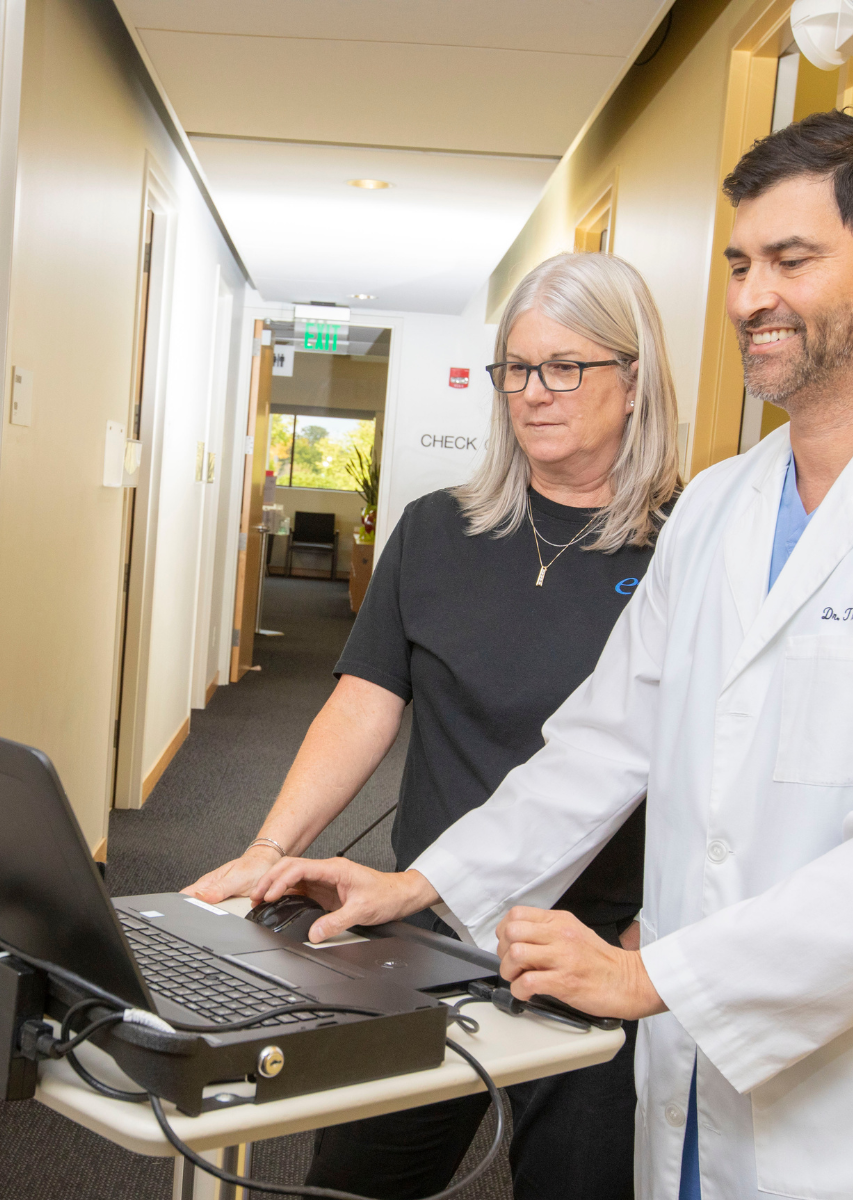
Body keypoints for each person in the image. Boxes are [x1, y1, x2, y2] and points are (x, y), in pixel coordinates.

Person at [252, 112, 853, 1200]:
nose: (751, 296)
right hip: (704, 1068)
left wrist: (649, 972)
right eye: (740, 262)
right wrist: (418, 883)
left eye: (792, 261)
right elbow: (601, 746)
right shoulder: (719, 507)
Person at [185, 251, 682, 1199]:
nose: (533, 393)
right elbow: (364, 703)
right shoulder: (439, 528)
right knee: (359, 1179)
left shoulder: (689, 546)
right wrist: (271, 844)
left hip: (600, 946)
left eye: (564, 366)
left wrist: (657, 942)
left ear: (634, 376)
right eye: (515, 369)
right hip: (427, 923)